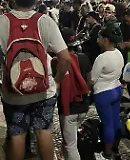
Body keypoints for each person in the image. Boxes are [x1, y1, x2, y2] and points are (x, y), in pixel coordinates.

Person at [0, 0, 71, 160]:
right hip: (43, 90)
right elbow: (65, 58)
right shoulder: (45, 21)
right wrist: (57, 81)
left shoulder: (0, 22)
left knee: (17, 134)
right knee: (44, 131)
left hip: (13, 91)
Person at [52, 28, 91, 160]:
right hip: (84, 106)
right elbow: (89, 81)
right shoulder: (84, 58)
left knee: (71, 145)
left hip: (68, 109)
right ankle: (62, 156)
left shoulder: (56, 61)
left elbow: (54, 85)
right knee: (69, 138)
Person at [91, 27, 126, 160]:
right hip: (116, 89)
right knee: (115, 121)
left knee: (107, 124)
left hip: (103, 92)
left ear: (106, 40)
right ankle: (115, 148)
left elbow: (93, 79)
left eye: (99, 37)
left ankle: (106, 154)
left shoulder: (102, 58)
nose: (97, 40)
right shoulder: (118, 53)